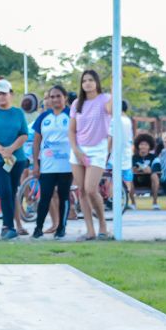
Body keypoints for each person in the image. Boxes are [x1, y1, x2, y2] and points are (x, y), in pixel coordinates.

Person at [0, 79, 30, 240]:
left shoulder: (18, 113)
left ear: (11, 94)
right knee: (4, 190)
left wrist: (10, 149)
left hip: (16, 158)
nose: (1, 97)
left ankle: (11, 226)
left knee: (12, 191)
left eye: (4, 93)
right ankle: (7, 226)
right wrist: (2, 151)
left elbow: (24, 134)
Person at [68, 69, 113, 240]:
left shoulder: (105, 99)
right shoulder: (76, 103)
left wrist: (115, 85)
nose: (87, 83)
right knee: (81, 190)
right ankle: (90, 230)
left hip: (98, 148)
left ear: (97, 82)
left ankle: (103, 225)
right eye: (84, 80)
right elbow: (71, 130)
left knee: (91, 189)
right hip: (78, 149)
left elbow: (111, 109)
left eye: (91, 80)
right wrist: (76, 150)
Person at [32, 84, 72, 238]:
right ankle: (38, 228)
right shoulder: (43, 117)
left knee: (63, 197)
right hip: (47, 165)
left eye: (58, 96)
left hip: (66, 165)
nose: (55, 99)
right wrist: (36, 163)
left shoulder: (71, 115)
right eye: (52, 97)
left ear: (65, 98)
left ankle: (61, 228)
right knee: (45, 197)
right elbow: (36, 142)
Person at [130, 135, 162, 209]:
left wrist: (148, 170)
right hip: (136, 180)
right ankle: (133, 203)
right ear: (138, 146)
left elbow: (155, 169)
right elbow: (131, 169)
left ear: (149, 146)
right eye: (141, 144)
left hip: (149, 181)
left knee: (154, 176)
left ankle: (155, 203)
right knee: (129, 178)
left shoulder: (154, 157)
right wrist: (137, 170)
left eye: (146, 144)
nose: (143, 146)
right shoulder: (133, 158)